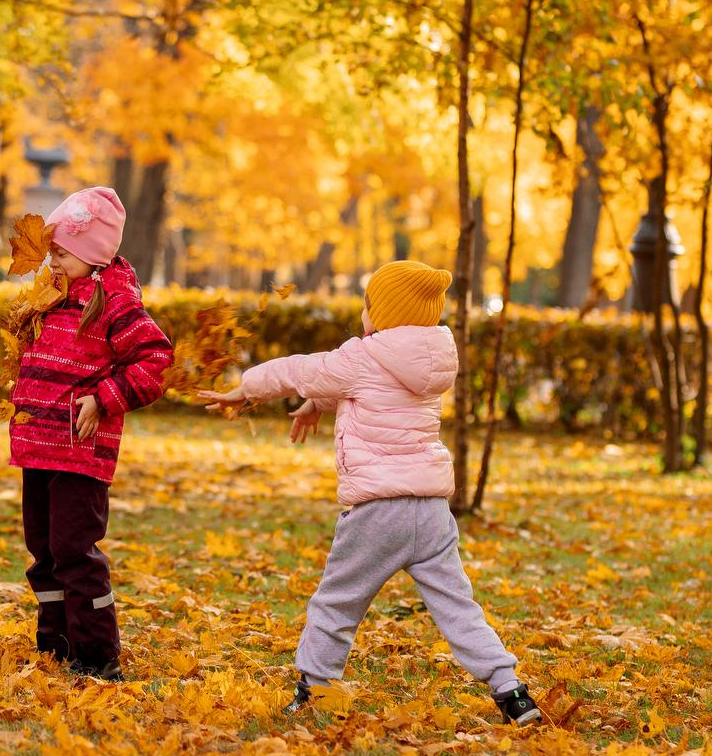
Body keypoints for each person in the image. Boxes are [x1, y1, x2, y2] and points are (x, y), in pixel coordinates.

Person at [200, 260, 541, 725]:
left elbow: (303, 369)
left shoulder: (361, 356)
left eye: (367, 305)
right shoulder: (432, 358)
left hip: (378, 511)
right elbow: (371, 391)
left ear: (382, 313)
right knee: (458, 605)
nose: (363, 315)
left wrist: (245, 388)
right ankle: (512, 692)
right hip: (432, 511)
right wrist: (318, 404)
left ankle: (313, 689)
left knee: (337, 602)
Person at [7, 186, 173, 681]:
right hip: (38, 447)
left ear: (91, 255)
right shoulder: (53, 297)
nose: (51, 261)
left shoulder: (114, 303)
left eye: (60, 252)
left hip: (80, 453)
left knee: (76, 553)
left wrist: (105, 399)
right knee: (44, 553)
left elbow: (155, 361)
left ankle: (96, 655)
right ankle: (54, 644)